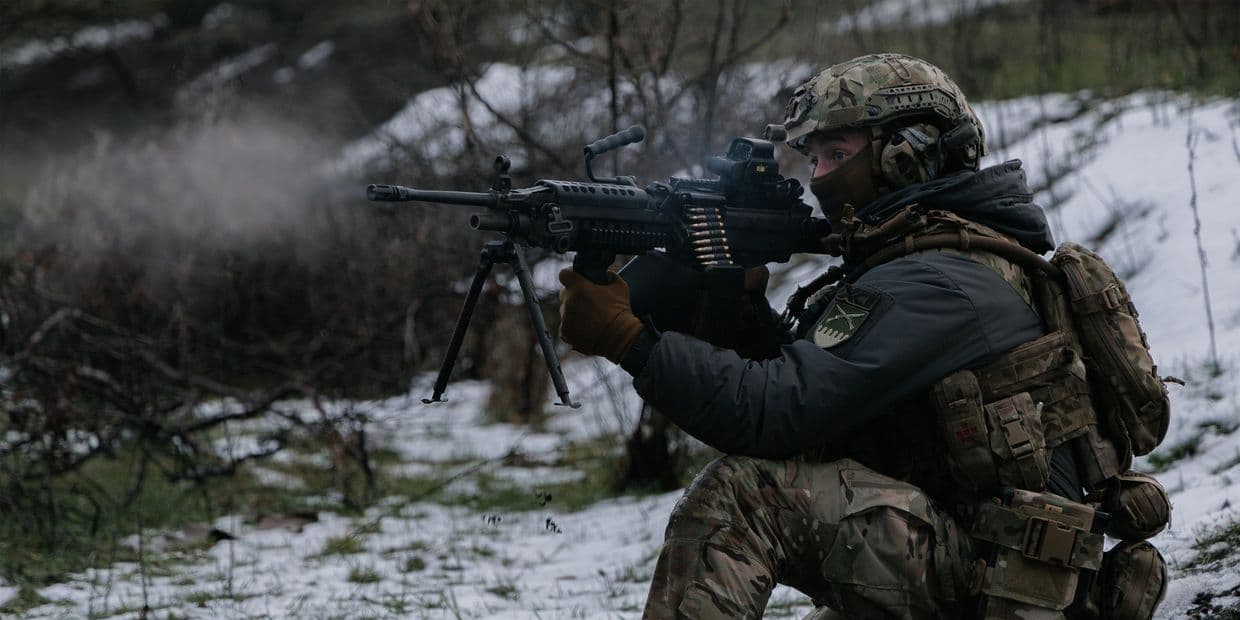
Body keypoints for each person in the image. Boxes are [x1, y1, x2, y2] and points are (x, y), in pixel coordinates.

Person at [557, 53, 1167, 619]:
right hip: (987, 559)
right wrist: (739, 311)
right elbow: (823, 395)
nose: (818, 177)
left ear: (907, 154)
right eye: (813, 157)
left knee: (742, 496)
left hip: (1016, 588)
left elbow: (779, 412)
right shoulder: (936, 257)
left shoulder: (940, 279)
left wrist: (628, 341)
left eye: (835, 153)